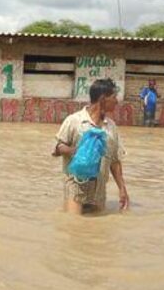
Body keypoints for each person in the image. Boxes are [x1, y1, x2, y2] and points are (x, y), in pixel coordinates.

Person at [52, 78, 129, 215]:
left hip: (99, 191)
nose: (117, 101)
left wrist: (122, 189)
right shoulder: (74, 121)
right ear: (103, 99)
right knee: (73, 224)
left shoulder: (111, 127)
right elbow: (57, 149)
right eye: (114, 97)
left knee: (97, 231)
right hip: (75, 187)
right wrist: (73, 151)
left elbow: (115, 161)